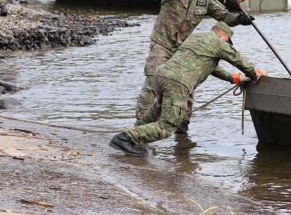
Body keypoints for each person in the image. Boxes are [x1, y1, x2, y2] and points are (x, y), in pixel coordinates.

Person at [135, 0, 254, 133]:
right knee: (153, 78)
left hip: (182, 47)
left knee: (187, 81)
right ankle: (140, 123)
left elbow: (224, 16)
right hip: (162, 42)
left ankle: (182, 125)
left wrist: (239, 19)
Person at [111, 22, 264, 156]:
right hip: (178, 82)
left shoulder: (195, 38)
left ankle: (135, 138)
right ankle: (125, 138)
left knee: (156, 110)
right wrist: (254, 74)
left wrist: (235, 78)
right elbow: (237, 59)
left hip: (161, 75)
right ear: (223, 35)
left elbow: (213, 68)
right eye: (228, 42)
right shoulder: (218, 42)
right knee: (167, 126)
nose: (228, 45)